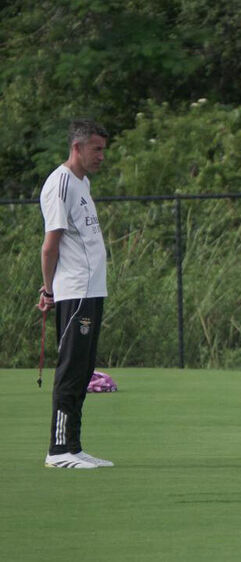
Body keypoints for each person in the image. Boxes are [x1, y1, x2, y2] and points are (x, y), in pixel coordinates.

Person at [37, 119, 113, 469]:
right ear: (77, 147)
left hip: (92, 289)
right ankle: (58, 450)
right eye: (96, 149)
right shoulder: (61, 183)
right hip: (74, 290)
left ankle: (74, 445)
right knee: (70, 367)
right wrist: (48, 290)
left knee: (84, 369)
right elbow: (50, 246)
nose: (101, 155)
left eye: (103, 149)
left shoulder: (83, 182)